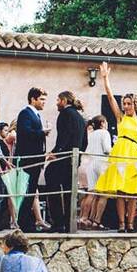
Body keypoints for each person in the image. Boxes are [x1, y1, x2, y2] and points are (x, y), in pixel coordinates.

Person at [95, 62, 137, 233]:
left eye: (128, 103)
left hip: (134, 153)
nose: (125, 106)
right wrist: (105, 79)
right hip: (120, 152)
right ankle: (121, 224)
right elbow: (110, 97)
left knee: (132, 193)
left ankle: (130, 223)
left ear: (135, 104)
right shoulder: (120, 118)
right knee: (120, 191)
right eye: (124, 103)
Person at [45, 91, 87, 233]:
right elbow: (85, 142)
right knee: (70, 191)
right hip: (74, 160)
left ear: (64, 100)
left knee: (50, 176)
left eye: (58, 100)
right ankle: (69, 223)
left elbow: (65, 135)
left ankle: (58, 222)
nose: (57, 103)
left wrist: (56, 153)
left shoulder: (65, 114)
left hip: (64, 157)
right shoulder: (81, 118)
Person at [15, 87, 52, 232]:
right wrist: (41, 132)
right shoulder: (25, 113)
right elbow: (24, 132)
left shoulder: (35, 115)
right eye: (41, 99)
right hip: (29, 159)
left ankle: (27, 222)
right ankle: (24, 223)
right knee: (27, 191)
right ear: (33, 99)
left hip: (36, 159)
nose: (44, 102)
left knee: (31, 192)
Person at [78, 115, 111, 230]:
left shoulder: (91, 134)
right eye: (106, 122)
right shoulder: (105, 133)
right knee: (103, 194)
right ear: (102, 123)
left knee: (91, 193)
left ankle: (84, 218)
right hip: (102, 163)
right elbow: (107, 149)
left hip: (90, 163)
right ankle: (96, 220)